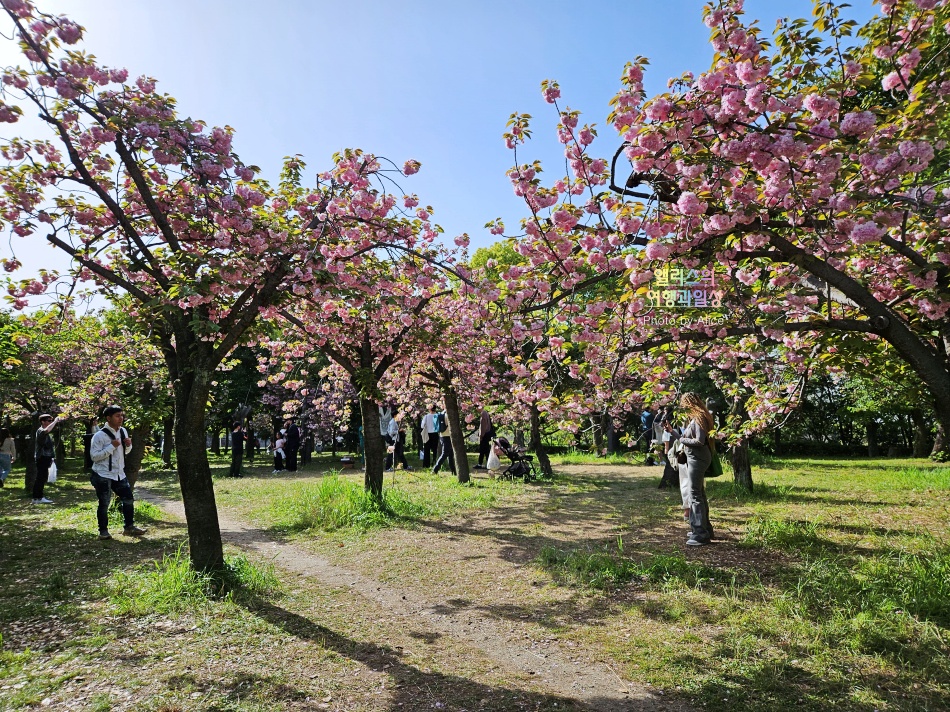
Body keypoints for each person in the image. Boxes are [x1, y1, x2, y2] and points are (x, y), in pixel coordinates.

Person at [664, 392, 715, 546]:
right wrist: (672, 431)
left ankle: (700, 533)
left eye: (683, 404)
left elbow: (698, 441)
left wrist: (680, 439)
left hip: (697, 458)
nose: (682, 408)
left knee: (695, 494)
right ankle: (704, 528)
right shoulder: (698, 417)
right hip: (697, 458)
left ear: (689, 404)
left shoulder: (698, 418)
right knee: (699, 492)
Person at [89, 405, 145, 539]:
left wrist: (128, 445)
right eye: (117, 416)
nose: (121, 418)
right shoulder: (99, 436)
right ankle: (103, 531)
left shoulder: (123, 431)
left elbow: (125, 452)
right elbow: (94, 457)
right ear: (108, 418)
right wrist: (111, 446)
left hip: (119, 473)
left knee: (128, 499)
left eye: (122, 415)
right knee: (104, 503)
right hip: (103, 474)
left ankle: (129, 527)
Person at [32, 414, 60, 504]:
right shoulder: (40, 431)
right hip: (42, 458)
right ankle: (38, 497)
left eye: (51, 420)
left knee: (42, 478)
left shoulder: (46, 433)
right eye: (49, 420)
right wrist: (55, 421)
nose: (50, 422)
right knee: (40, 478)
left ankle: (38, 497)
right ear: (43, 422)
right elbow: (47, 430)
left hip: (46, 458)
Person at [431, 407, 454, 475]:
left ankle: (454, 471)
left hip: (442, 435)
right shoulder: (448, 415)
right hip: (447, 436)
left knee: (450, 454)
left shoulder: (441, 413)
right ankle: (435, 469)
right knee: (445, 454)